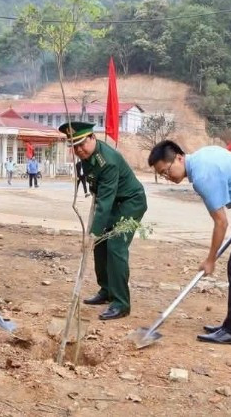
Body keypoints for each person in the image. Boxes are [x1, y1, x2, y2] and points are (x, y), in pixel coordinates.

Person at [148, 141, 231, 345]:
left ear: (179, 157)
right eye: (162, 175)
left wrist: (210, 260)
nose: (167, 177)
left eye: (166, 171)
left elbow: (221, 222)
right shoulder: (203, 156)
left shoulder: (202, 175)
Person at [58, 122, 147, 320]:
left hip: (130, 203)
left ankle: (121, 303)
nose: (79, 149)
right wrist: (95, 236)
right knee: (100, 245)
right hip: (113, 203)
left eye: (82, 143)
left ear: (92, 138)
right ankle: (107, 290)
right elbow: (99, 194)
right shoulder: (87, 159)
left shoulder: (108, 161)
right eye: (74, 146)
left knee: (115, 247)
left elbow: (104, 202)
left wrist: (92, 233)